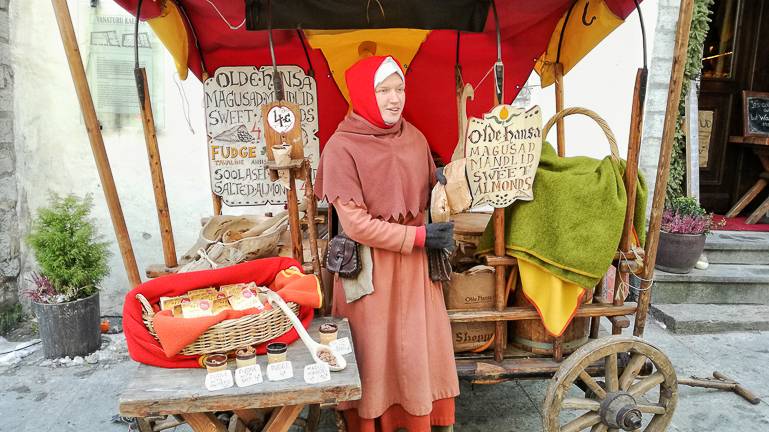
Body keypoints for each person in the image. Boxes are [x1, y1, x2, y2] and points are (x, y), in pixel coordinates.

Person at [314, 55, 459, 432]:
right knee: (375, 353)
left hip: (415, 270)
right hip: (370, 271)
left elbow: (429, 195)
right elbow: (357, 225)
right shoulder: (341, 148)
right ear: (363, 94)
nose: (395, 99)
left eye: (400, 89)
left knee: (415, 352)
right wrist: (420, 236)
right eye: (383, 90)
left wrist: (449, 184)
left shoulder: (415, 138)